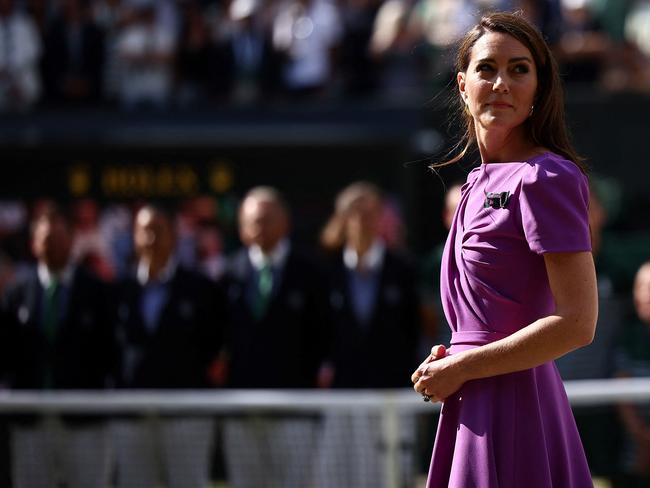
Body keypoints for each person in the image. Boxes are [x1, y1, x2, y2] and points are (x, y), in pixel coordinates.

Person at [411, 11, 598, 487]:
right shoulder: (473, 183)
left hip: (519, 407)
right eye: (487, 68)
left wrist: (465, 366)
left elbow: (577, 324)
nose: (501, 83)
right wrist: (453, 360)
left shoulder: (546, 177)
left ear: (540, 88)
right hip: (471, 401)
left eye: (519, 69)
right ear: (461, 84)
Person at [219, 186, 329, 488]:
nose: (260, 227)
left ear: (286, 223)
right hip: (241, 408)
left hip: (295, 408)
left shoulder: (310, 274)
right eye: (253, 221)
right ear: (242, 228)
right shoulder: (227, 275)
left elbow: (322, 337)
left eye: (268, 219)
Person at [111, 204, 226, 488]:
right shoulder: (117, 291)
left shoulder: (200, 289)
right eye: (144, 231)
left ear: (174, 237)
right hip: (131, 415)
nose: (151, 238)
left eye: (159, 231)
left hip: (187, 414)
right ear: (134, 237)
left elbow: (213, 345)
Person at [0, 203, 114, 488]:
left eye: (60, 238)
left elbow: (108, 350)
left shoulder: (96, 291)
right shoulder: (16, 293)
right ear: (34, 244)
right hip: (30, 421)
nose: (53, 245)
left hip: (84, 420)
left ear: (72, 241)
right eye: (46, 239)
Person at [315, 181, 420, 488]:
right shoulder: (326, 272)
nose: (362, 219)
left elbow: (411, 333)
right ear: (342, 217)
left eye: (370, 212)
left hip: (391, 396)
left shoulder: (403, 269)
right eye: (354, 212)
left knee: (386, 477)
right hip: (340, 398)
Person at [614, 261, 650, 487]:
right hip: (635, 452)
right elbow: (621, 389)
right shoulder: (628, 336)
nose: (646, 296)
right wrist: (643, 438)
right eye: (642, 288)